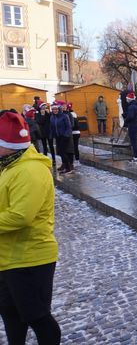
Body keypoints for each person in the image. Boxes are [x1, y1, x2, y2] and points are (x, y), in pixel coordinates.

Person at [0, 110, 61, 345]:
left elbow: (20, 216)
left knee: (38, 319)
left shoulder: (30, 170)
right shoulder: (8, 166)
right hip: (8, 258)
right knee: (12, 318)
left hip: (30, 259)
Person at [49, 101, 74, 174]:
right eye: (53, 109)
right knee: (60, 152)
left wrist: (66, 135)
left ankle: (68, 167)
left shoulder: (64, 116)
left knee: (63, 152)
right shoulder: (52, 117)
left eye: (56, 109)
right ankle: (65, 166)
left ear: (59, 109)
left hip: (64, 136)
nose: (55, 111)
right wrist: (51, 135)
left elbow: (68, 127)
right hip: (58, 137)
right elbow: (51, 127)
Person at [125, 92, 137, 162]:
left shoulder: (131, 107)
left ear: (129, 99)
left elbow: (130, 117)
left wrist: (126, 120)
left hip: (132, 126)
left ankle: (136, 156)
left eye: (127, 99)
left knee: (133, 142)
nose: (126, 100)